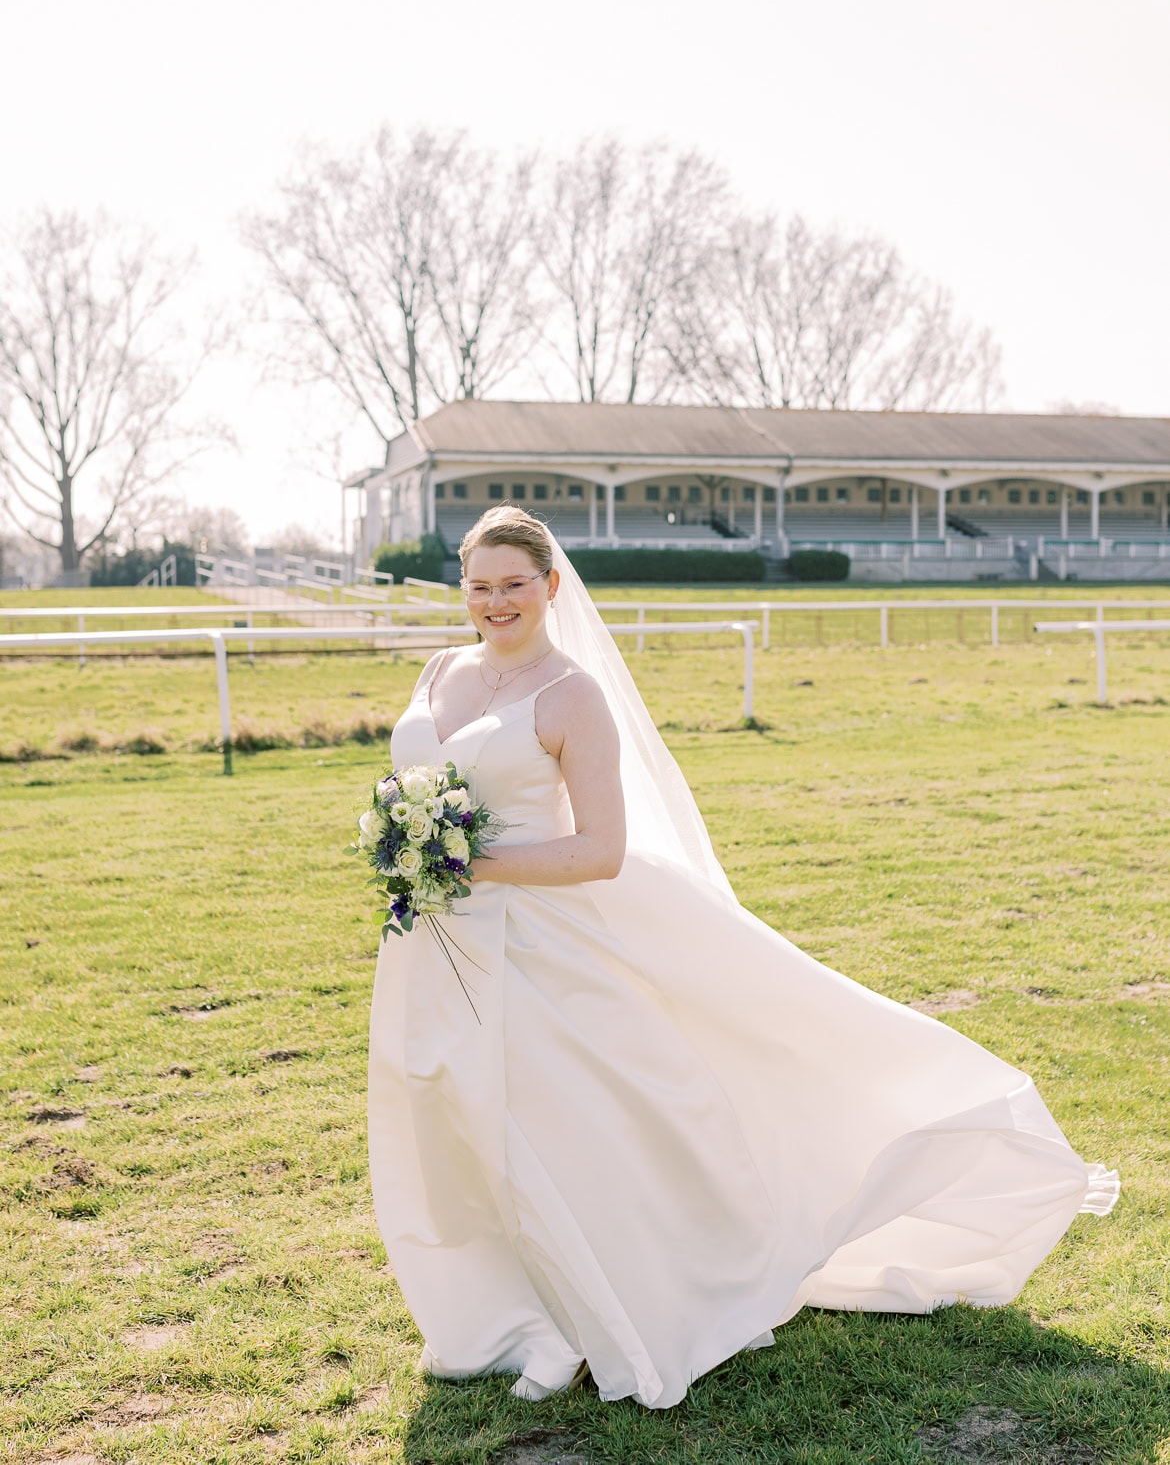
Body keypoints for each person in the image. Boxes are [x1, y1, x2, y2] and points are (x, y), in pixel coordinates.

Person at [367, 505, 1118, 1411]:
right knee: (447, 1119)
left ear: (550, 587)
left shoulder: (571, 695)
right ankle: (494, 1315)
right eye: (479, 585)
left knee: (540, 1132)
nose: (495, 601)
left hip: (536, 944)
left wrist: (466, 862)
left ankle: (573, 1324)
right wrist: (406, 846)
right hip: (430, 939)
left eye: (514, 583)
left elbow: (601, 847)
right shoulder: (440, 668)